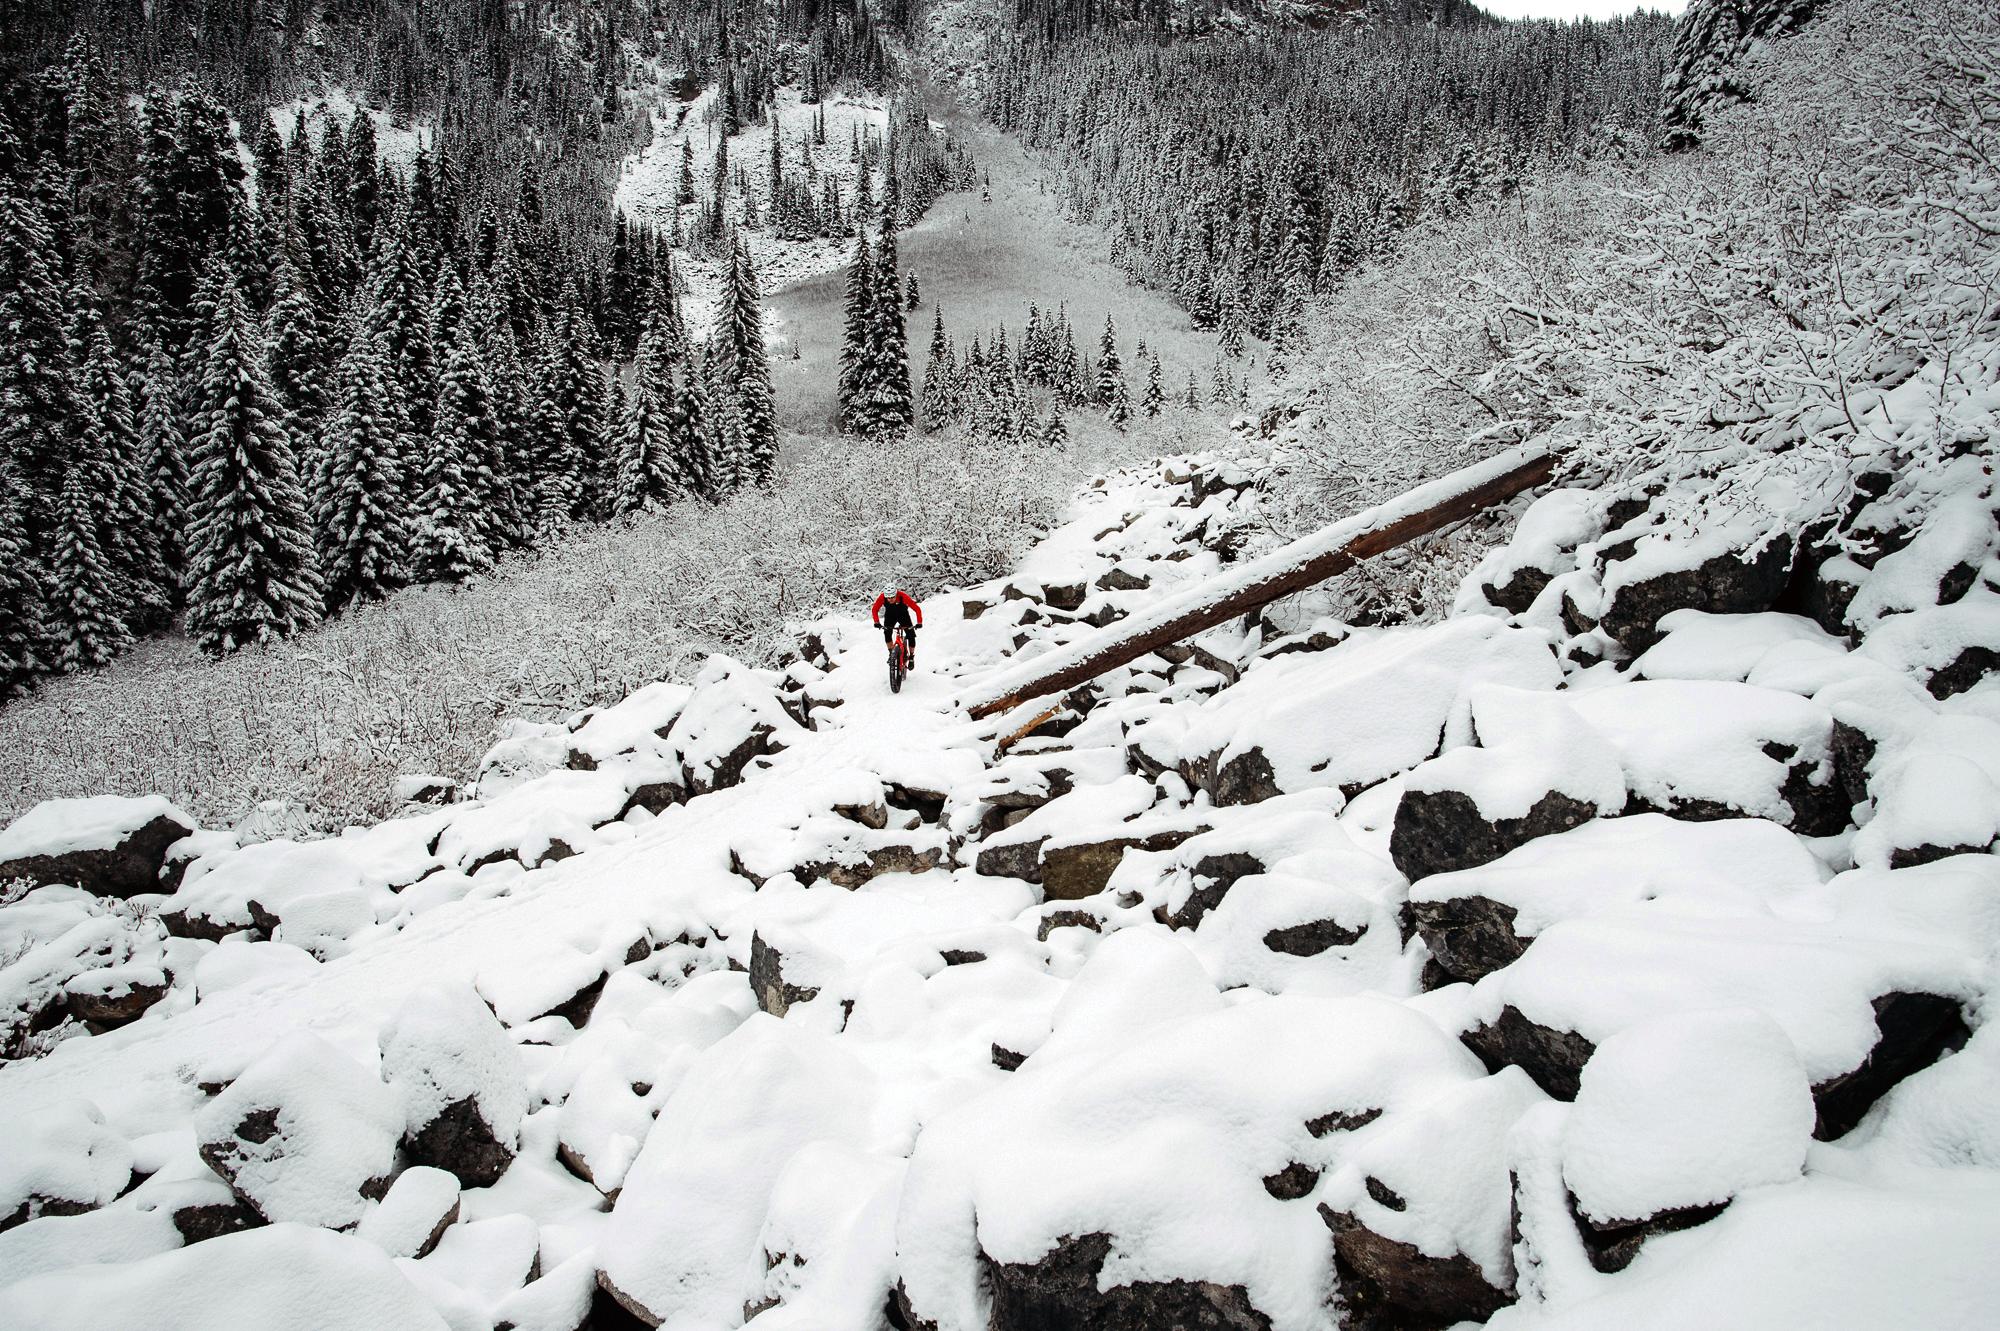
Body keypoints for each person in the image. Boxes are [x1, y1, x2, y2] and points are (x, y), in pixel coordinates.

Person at [871, 587, 922, 669]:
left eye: (892, 597)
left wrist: (919, 622)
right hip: (890, 616)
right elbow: (875, 609)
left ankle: (911, 657)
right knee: (887, 633)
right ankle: (891, 653)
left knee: (911, 635)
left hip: (903, 615)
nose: (890, 599)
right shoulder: (882, 597)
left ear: (896, 594)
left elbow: (916, 608)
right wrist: (876, 622)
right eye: (888, 598)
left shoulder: (903, 596)